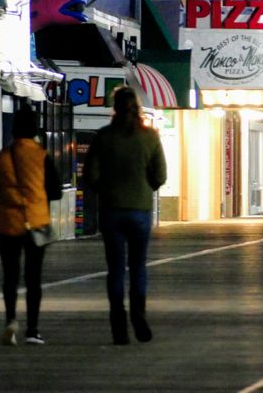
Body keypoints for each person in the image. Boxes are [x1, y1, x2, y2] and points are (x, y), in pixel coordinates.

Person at [84, 86, 166, 345]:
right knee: (138, 267)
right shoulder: (150, 137)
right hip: (140, 211)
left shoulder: (103, 137)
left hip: (111, 211)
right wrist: (146, 187)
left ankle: (118, 325)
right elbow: (161, 174)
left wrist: (106, 191)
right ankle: (139, 315)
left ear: (114, 107)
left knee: (116, 269)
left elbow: (91, 175)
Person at [0, 104, 62, 346]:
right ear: (35, 129)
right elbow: (56, 191)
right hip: (37, 223)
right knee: (33, 278)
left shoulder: (1, 157)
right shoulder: (42, 156)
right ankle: (33, 329)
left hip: (8, 223)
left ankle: (10, 321)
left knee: (10, 276)